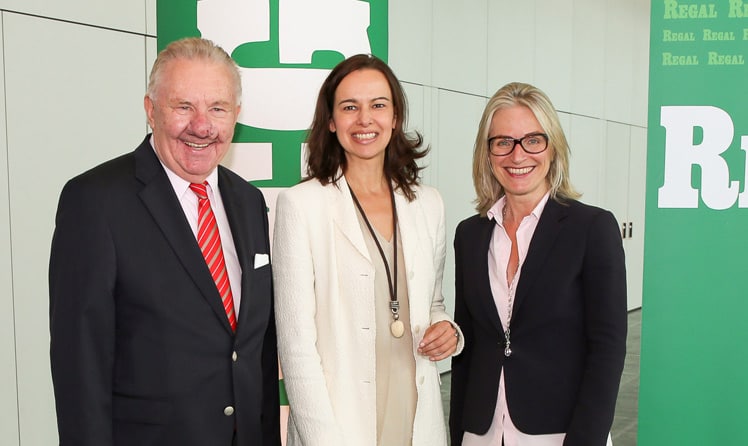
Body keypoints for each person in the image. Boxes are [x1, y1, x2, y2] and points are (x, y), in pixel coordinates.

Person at [49, 37, 280, 446]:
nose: (202, 126)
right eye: (183, 106)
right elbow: (80, 365)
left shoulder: (249, 201)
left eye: (218, 108)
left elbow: (255, 349)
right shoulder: (95, 201)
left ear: (236, 116)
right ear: (150, 110)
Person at [273, 54, 463, 446]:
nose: (365, 119)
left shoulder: (429, 204)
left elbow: (434, 304)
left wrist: (448, 331)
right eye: (349, 107)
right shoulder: (301, 205)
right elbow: (296, 345)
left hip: (414, 415)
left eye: (378, 105)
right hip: (338, 423)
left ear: (395, 118)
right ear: (330, 120)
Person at [449, 82, 627, 446]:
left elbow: (608, 349)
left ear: (553, 147)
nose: (517, 156)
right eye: (503, 142)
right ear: (487, 153)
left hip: (561, 431)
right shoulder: (470, 235)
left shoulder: (592, 228)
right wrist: (456, 433)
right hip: (482, 431)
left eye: (533, 140)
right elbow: (468, 349)